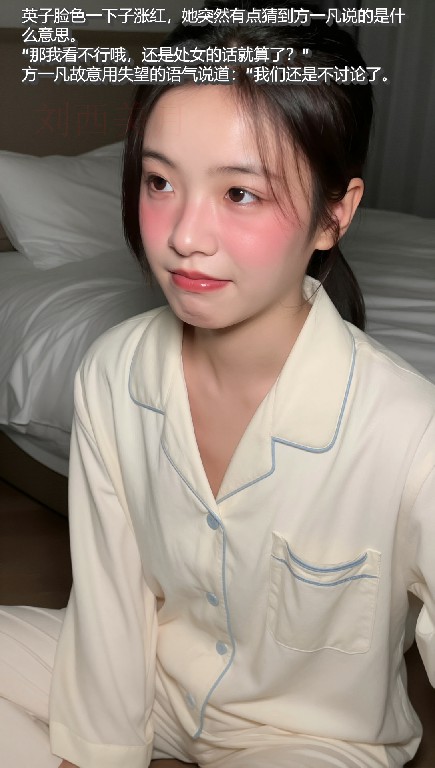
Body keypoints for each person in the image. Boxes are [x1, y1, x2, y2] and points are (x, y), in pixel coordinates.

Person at [1, 2, 434, 767]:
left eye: (240, 193)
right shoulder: (113, 370)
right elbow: (111, 600)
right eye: (159, 181)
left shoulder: (408, 427)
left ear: (334, 213)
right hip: (154, 672)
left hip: (311, 737)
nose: (183, 236)